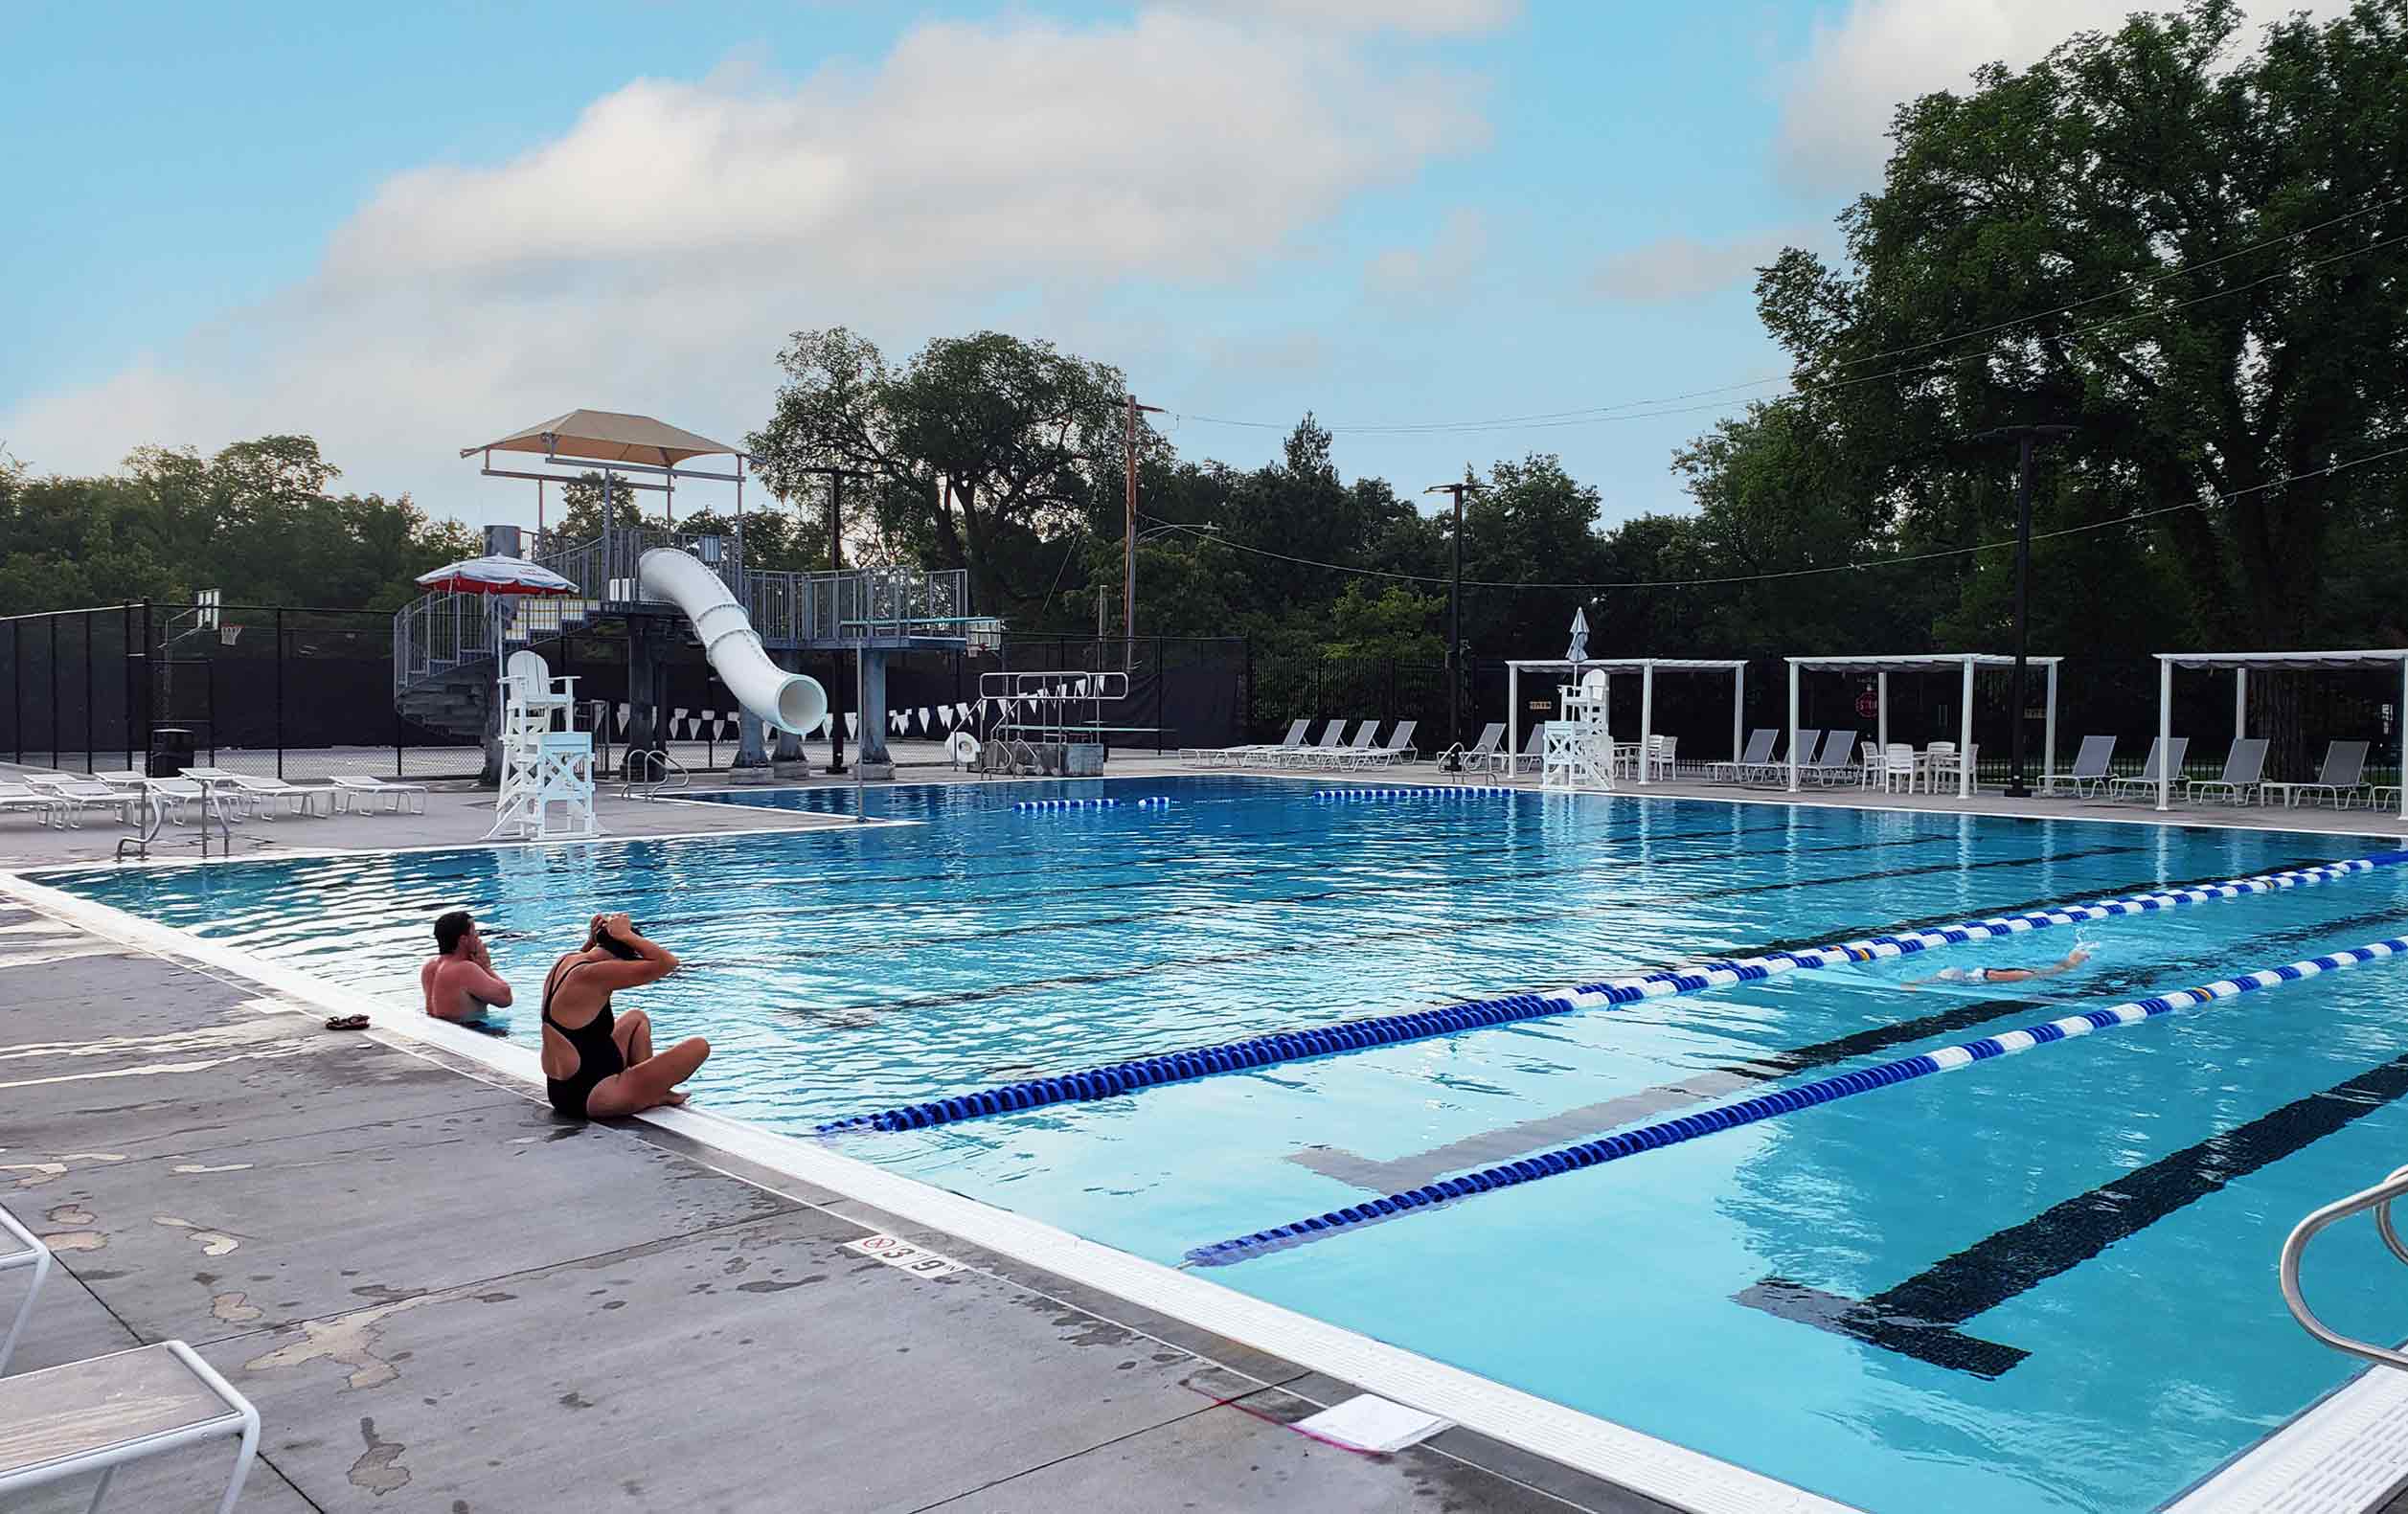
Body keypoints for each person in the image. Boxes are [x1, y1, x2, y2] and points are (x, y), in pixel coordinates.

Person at [538, 912, 710, 1119]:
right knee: (699, 1047)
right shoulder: (594, 975)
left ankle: (650, 1091)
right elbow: (668, 963)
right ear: (623, 959)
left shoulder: (567, 961)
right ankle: (649, 1094)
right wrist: (627, 935)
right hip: (593, 1097)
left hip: (561, 1093)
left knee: (636, 1018)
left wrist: (594, 939)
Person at [421, 910, 514, 1024]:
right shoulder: (464, 969)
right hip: (469, 1031)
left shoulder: (429, 967)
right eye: (475, 934)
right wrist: (485, 967)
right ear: (463, 940)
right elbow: (505, 998)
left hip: (441, 1030)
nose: (478, 938)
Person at [1904, 943, 2092, 990]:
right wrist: (1915, 984)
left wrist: (1915, 984)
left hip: (1989, 975)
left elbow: (1935, 980)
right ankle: (2075, 958)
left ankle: (2075, 958)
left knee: (2046, 973)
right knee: (2045, 973)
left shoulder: (1987, 977)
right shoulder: (1970, 976)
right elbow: (1935, 980)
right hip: (1985, 974)